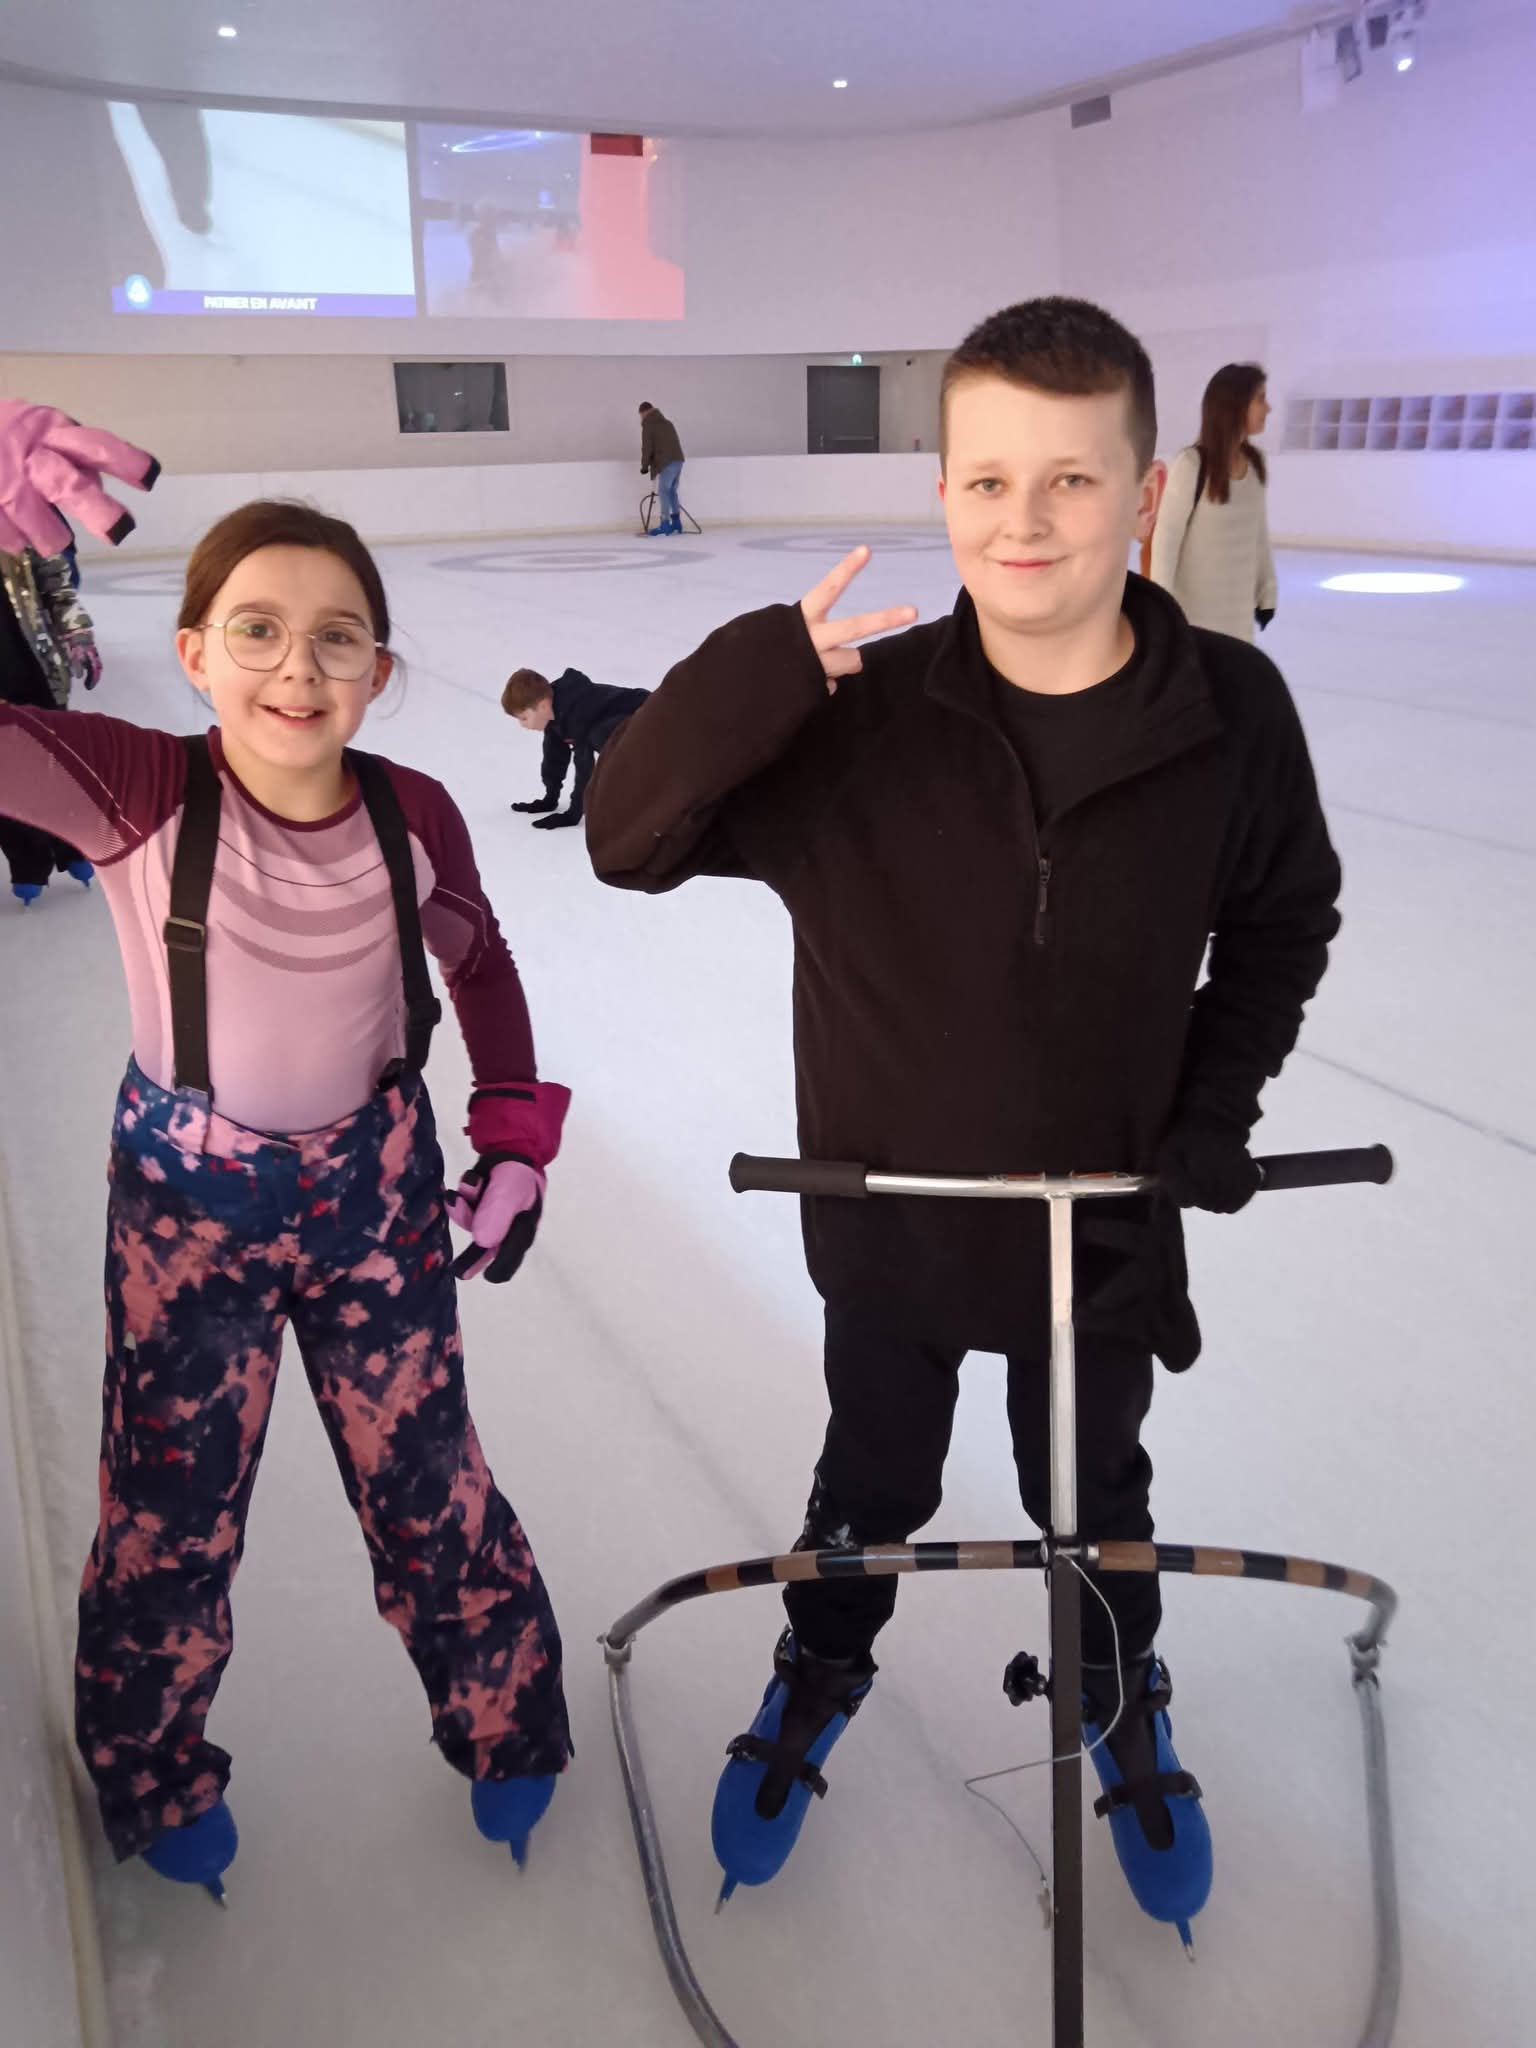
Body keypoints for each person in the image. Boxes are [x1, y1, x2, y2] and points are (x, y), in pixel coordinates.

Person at [587, 297, 1341, 1948]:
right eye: (988, 478)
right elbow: (625, 835)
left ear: (1142, 491)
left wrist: (1216, 1109)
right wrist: (753, 674)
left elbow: (1285, 919)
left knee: (1094, 1483)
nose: (1026, 519)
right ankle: (822, 1659)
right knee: (871, 1467)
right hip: (894, 1219)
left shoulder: (1231, 715)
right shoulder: (854, 722)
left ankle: (1113, 1679)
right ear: (941, 491)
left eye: (1070, 480)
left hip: (1106, 1226)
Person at [0, 499, 574, 1897]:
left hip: (375, 1199)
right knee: (168, 1514)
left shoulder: (413, 812)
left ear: (378, 672)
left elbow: (480, 965)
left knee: (432, 1487)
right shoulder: (135, 787)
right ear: (194, 652)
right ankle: (151, 1768)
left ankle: (507, 1725)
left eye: (337, 638)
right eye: (257, 630)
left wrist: (512, 1136)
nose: (297, 669)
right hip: (189, 1213)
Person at [1148, 363, 1277, 643]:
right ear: (1235, 405)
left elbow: (1258, 534)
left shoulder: (1256, 464)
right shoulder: (1192, 465)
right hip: (1194, 620)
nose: (1268, 408)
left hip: (1238, 619)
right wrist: (1161, 611)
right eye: (1260, 399)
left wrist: (1267, 592)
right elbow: (1165, 542)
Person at [1, 543, 101, 902]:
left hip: (35, 666)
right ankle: (28, 862)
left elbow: (57, 583)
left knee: (54, 760)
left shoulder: (18, 511)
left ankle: (71, 843)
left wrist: (78, 634)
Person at [503, 665, 649, 830]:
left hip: (651, 718)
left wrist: (573, 814)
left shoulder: (577, 712)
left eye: (524, 718)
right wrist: (550, 799)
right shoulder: (554, 714)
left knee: (594, 736)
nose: (523, 725)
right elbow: (554, 757)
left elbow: (584, 766)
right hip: (634, 726)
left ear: (542, 706)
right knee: (579, 738)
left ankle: (646, 789)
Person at [638, 401, 686, 536]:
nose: (641, 418)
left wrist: (644, 466)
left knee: (663, 492)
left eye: (641, 415)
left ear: (644, 412)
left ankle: (665, 523)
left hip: (666, 462)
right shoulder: (668, 423)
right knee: (672, 492)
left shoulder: (648, 424)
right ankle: (676, 523)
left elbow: (647, 447)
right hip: (678, 460)